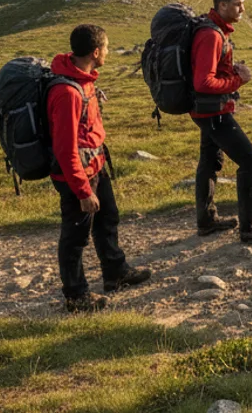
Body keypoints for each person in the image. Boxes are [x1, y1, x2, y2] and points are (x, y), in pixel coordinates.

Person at [48, 24, 150, 313]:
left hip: (96, 165)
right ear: (95, 52)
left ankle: (116, 273)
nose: (107, 52)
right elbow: (65, 148)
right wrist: (82, 191)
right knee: (75, 236)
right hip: (77, 175)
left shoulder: (82, 79)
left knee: (108, 219)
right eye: (105, 48)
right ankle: (76, 296)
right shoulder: (68, 92)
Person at [191, 0, 252, 244]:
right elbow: (203, 83)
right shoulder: (212, 35)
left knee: (209, 161)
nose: (242, 9)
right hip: (213, 111)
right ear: (222, 5)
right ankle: (249, 228)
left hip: (204, 110)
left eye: (243, 3)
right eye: (238, 4)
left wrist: (231, 72)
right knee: (250, 160)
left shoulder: (214, 29)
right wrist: (238, 81)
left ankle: (206, 221)